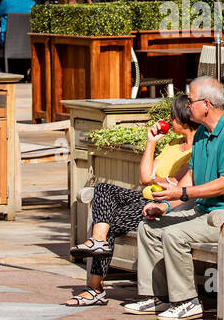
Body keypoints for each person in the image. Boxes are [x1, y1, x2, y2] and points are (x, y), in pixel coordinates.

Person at [125, 76, 224, 320]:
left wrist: (182, 194)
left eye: (190, 101)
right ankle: (156, 296)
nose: (187, 106)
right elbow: (190, 179)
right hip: (204, 213)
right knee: (150, 227)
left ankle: (188, 301)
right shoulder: (201, 135)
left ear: (206, 104)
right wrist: (164, 206)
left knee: (175, 235)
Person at [63, 95, 199, 307]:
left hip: (163, 205)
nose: (170, 119)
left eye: (172, 116)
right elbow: (144, 177)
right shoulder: (173, 144)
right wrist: (151, 142)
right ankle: (98, 242)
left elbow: (176, 184)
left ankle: (94, 288)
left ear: (184, 118)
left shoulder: (197, 150)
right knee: (103, 189)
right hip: (145, 196)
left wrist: (159, 180)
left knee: (109, 222)